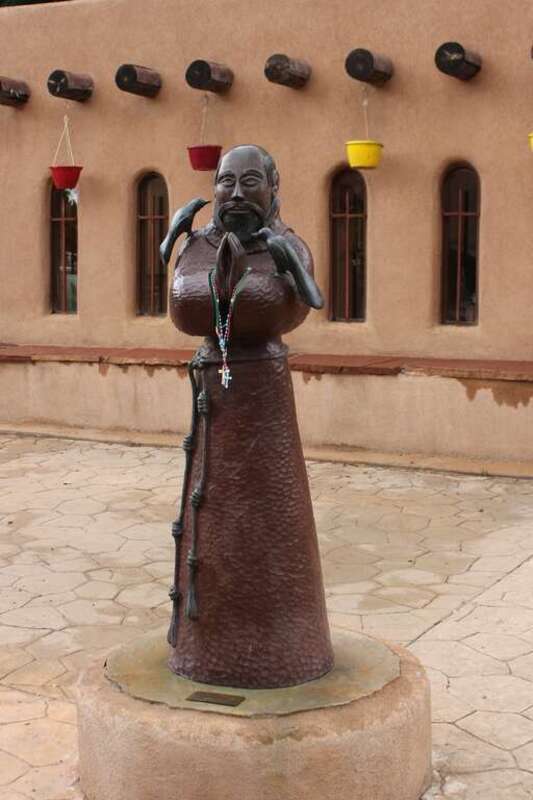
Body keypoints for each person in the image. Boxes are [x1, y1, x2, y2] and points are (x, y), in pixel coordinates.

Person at [162, 145, 333, 689]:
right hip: (213, 388)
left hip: (263, 391)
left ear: (273, 188)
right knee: (210, 527)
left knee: (270, 529)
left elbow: (299, 302)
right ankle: (205, 653)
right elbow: (183, 304)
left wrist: (279, 270)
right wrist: (178, 246)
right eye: (226, 182)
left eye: (250, 182)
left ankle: (283, 653)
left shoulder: (286, 245)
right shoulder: (197, 245)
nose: (235, 194)